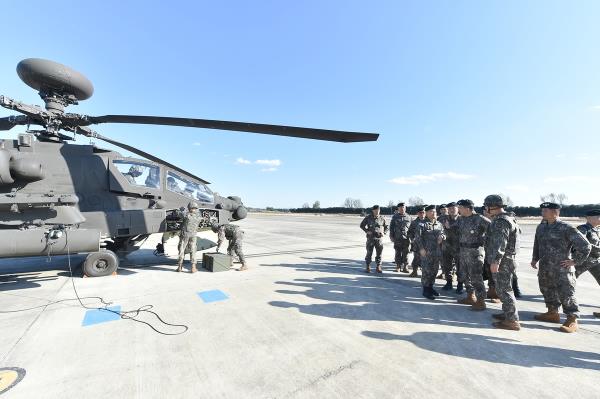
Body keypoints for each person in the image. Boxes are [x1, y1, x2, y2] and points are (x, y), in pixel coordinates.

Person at [531, 202, 591, 333]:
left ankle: (572, 319)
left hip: (562, 268)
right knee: (546, 289)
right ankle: (552, 313)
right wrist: (535, 258)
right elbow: (537, 243)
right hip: (545, 266)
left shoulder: (565, 227)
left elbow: (585, 246)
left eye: (545, 210)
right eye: (542, 210)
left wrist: (574, 261)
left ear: (555, 212)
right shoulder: (541, 227)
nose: (542, 213)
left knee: (566, 293)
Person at [484, 194, 521, 330]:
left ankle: (512, 321)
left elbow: (500, 243)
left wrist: (495, 261)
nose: (486, 209)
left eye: (486, 206)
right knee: (503, 289)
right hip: (506, 260)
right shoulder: (507, 218)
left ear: (491, 207)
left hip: (502, 262)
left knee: (505, 290)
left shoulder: (501, 221)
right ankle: (508, 313)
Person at [455, 199, 491, 310]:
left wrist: (485, 240)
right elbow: (454, 229)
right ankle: (471, 296)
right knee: (465, 275)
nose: (458, 210)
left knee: (476, 277)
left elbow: (493, 230)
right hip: (463, 251)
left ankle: (481, 301)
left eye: (460, 208)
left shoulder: (480, 219)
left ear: (467, 208)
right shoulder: (461, 219)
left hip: (475, 252)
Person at [414, 205, 445, 300]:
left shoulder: (439, 224)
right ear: (427, 213)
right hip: (426, 252)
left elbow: (443, 233)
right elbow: (418, 238)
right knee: (426, 271)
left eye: (435, 211)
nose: (434, 213)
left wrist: (443, 237)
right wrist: (421, 249)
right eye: (431, 211)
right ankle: (425, 289)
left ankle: (431, 287)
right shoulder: (422, 224)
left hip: (437, 252)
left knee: (434, 271)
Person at [574, 209, 600, 318]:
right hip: (582, 261)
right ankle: (556, 307)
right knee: (568, 282)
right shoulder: (582, 229)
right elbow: (582, 244)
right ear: (590, 218)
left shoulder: (596, 229)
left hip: (595, 262)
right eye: (598, 217)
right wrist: (598, 249)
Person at [360, 205, 388, 273]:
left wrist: (384, 233)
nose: (377, 212)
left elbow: (387, 227)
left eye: (378, 210)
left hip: (379, 239)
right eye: (375, 210)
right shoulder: (368, 217)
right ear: (373, 211)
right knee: (369, 253)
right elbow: (362, 225)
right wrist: (367, 231)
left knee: (379, 253)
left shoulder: (382, 218)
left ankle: (378, 266)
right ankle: (368, 266)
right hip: (370, 238)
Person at [438, 202, 460, 291]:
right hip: (446, 247)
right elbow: (439, 229)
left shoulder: (462, 219)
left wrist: (449, 227)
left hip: (459, 247)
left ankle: (460, 285)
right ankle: (449, 283)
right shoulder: (443, 219)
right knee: (447, 266)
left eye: (453, 208)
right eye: (450, 208)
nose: (451, 210)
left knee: (460, 267)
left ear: (458, 209)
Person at [177, 201, 203, 273]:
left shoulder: (186, 215)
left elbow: (178, 213)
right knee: (193, 249)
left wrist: (181, 209)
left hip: (185, 234)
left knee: (181, 249)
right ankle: (193, 267)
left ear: (189, 208)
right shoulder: (198, 217)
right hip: (193, 235)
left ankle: (179, 267)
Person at [390, 202, 412, 273]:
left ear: (405, 208)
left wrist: (412, 237)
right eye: (400, 208)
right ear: (398, 209)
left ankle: (405, 267)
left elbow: (412, 228)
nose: (402, 209)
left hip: (406, 238)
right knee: (398, 252)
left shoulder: (409, 217)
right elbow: (391, 227)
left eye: (403, 208)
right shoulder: (395, 217)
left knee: (406, 253)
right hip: (397, 238)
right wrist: (391, 236)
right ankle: (398, 266)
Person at [407, 206, 426, 277]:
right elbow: (409, 232)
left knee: (426, 259)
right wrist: (412, 239)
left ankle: (424, 272)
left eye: (423, 212)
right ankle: (414, 271)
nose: (422, 214)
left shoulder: (428, 221)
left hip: (426, 244)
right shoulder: (414, 222)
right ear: (417, 213)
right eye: (420, 213)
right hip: (417, 244)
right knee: (416, 258)